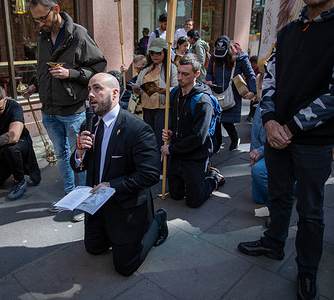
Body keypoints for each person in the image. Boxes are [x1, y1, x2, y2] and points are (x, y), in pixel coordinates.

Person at [238, 1, 334, 299]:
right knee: (278, 195)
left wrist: (290, 128)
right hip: (276, 133)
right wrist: (268, 121)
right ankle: (274, 241)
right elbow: (270, 78)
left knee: (310, 212)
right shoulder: (288, 31)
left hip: (313, 142)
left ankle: (307, 270)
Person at [71, 73, 168, 276]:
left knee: (124, 268)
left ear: (115, 93)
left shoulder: (138, 129)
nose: (90, 94)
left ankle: (156, 222)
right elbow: (78, 166)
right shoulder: (87, 125)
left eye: (97, 88)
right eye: (89, 89)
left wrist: (112, 186)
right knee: (94, 248)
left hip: (126, 205)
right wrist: (79, 152)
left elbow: (150, 175)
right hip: (97, 205)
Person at [26, 0, 107, 222]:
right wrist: (35, 85)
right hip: (49, 108)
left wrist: (70, 74)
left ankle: (83, 200)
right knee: (61, 155)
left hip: (72, 109)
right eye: (36, 20)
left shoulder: (79, 34)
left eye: (43, 18)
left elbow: (99, 68)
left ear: (56, 10)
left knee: (79, 155)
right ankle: (70, 195)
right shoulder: (43, 36)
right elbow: (43, 68)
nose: (40, 24)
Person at [161, 54, 225, 208]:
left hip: (195, 155)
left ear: (197, 74)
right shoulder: (176, 93)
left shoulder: (203, 101)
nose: (180, 77)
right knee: (175, 195)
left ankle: (213, 177)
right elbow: (178, 121)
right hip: (178, 154)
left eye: (185, 74)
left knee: (193, 202)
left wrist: (171, 148)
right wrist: (171, 132)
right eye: (179, 73)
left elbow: (198, 137)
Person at [0, 85, 41, 200]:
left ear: (5, 99)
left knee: (11, 148)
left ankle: (20, 181)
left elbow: (14, 137)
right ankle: (11, 167)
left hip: (22, 142)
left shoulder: (14, 107)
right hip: (2, 146)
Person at [206, 36, 256, 152]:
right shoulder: (214, 57)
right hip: (216, 91)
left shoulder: (240, 58)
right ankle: (217, 143)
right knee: (216, 121)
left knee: (228, 121)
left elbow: (250, 74)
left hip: (232, 93)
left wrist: (252, 91)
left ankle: (234, 139)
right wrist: (209, 80)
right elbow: (209, 72)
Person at [134, 38, 178, 154]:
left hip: (162, 109)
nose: (155, 56)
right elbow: (137, 84)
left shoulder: (171, 68)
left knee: (161, 140)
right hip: (145, 108)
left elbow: (177, 88)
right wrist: (136, 89)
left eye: (158, 53)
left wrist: (164, 90)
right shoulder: (146, 69)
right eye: (152, 53)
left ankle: (162, 166)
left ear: (165, 52)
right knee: (147, 139)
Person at [249, 100, 268, 207]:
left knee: (259, 171)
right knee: (258, 198)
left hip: (281, 151)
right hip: (264, 150)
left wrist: (261, 151)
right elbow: (255, 131)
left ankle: (276, 208)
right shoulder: (263, 102)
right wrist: (254, 155)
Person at [245, 55, 260, 123]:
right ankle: (251, 116)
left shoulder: (260, 74)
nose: (253, 68)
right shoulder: (253, 72)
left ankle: (252, 116)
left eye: (254, 66)